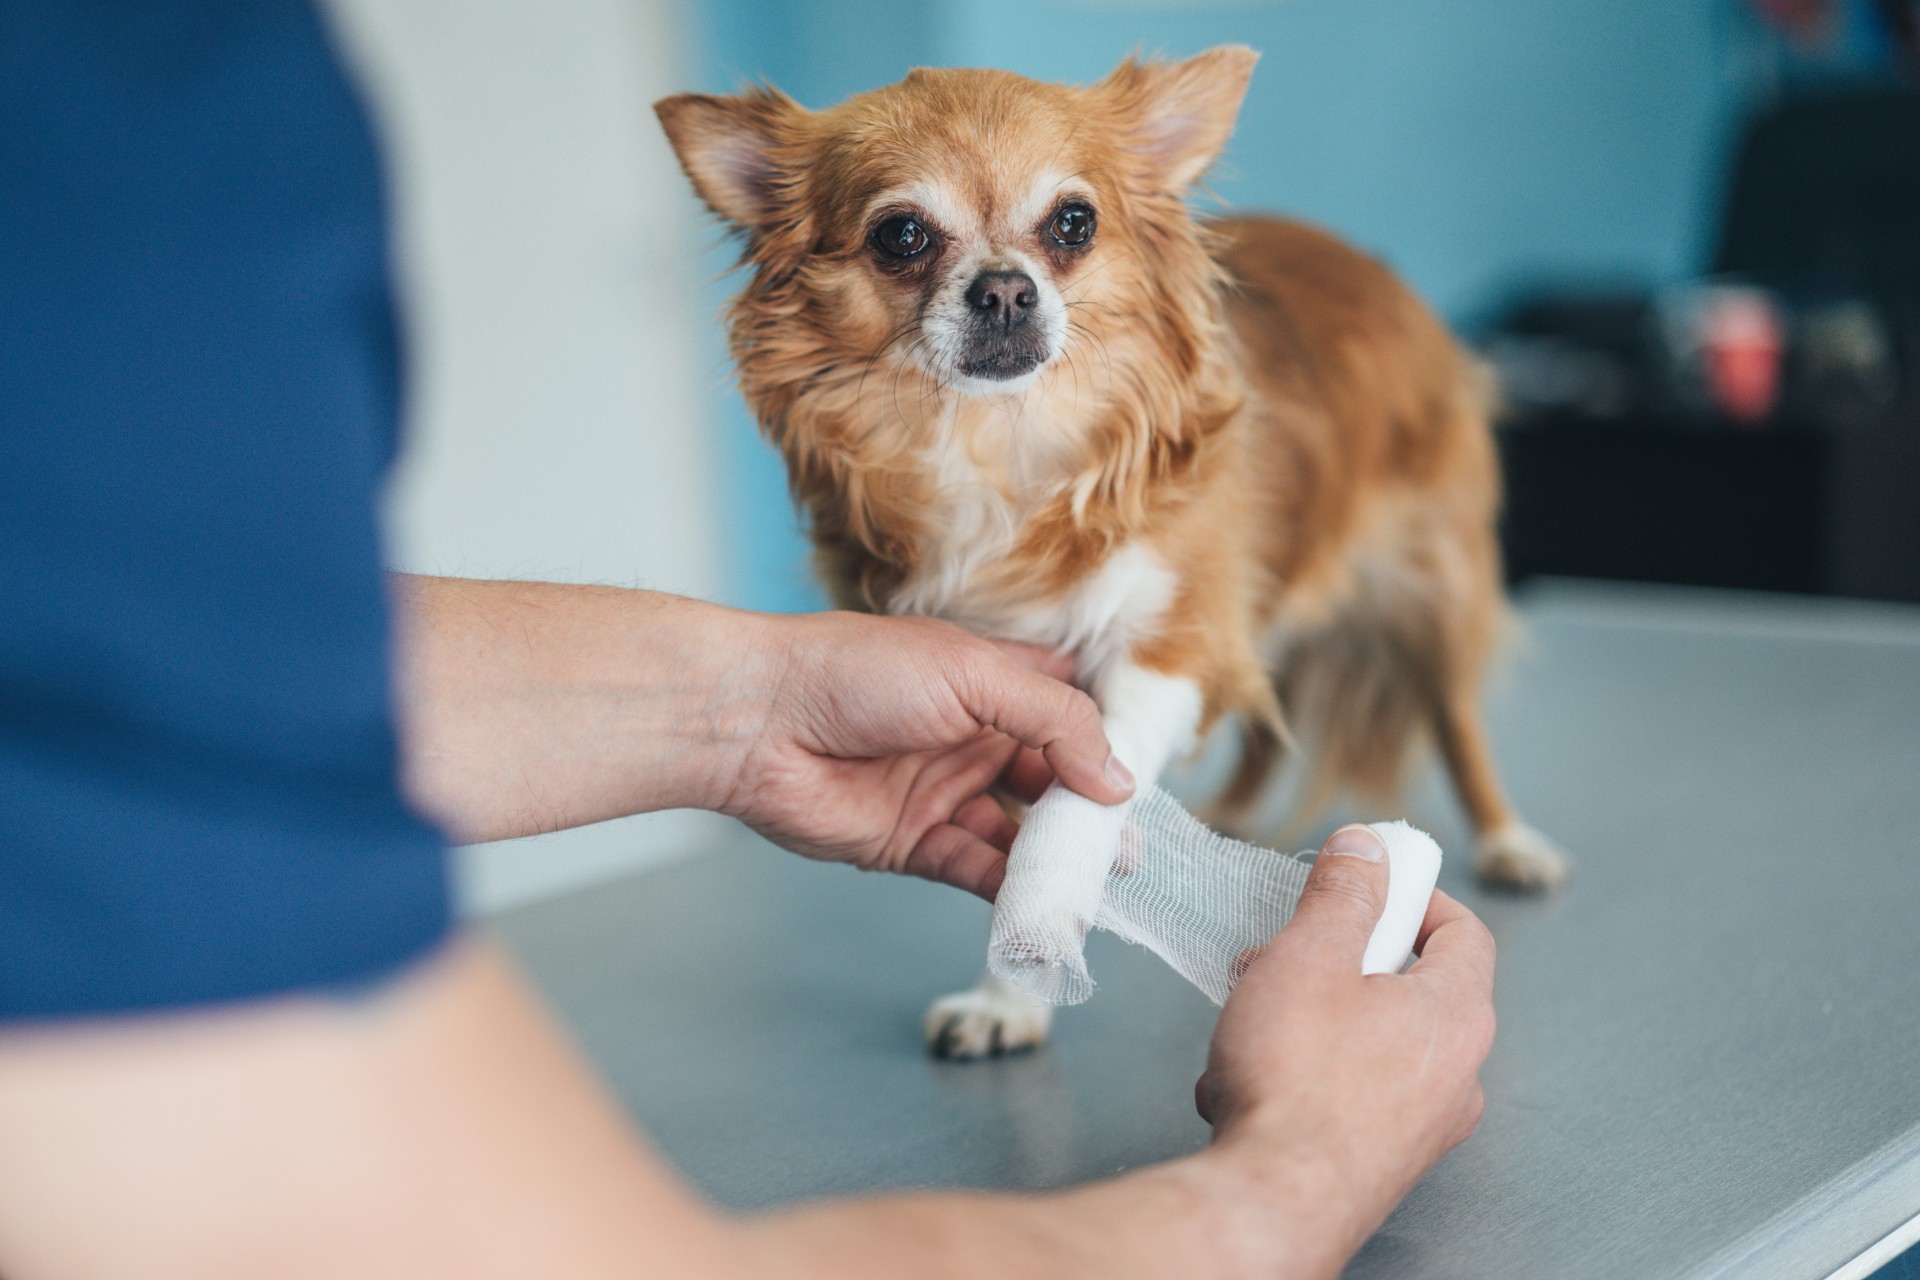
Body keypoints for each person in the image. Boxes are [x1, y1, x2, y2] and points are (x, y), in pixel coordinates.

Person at [0, 4, 1496, 1277]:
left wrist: (745, 705)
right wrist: (1305, 1168)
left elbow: (187, 672)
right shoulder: (123, 114)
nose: (998, 278)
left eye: (1062, 228)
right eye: (907, 240)